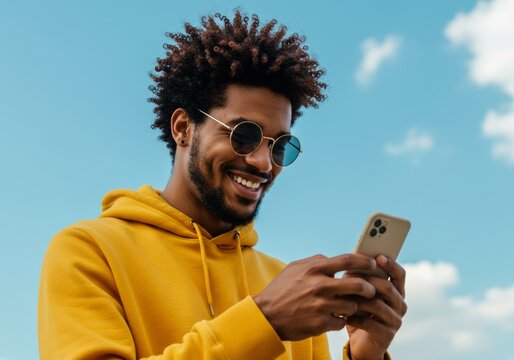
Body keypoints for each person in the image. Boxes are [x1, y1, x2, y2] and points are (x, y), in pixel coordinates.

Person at [38, 10, 407, 360]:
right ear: (183, 128)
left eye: (280, 146)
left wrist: (364, 354)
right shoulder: (89, 251)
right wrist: (265, 321)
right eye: (244, 135)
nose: (263, 162)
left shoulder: (290, 285)